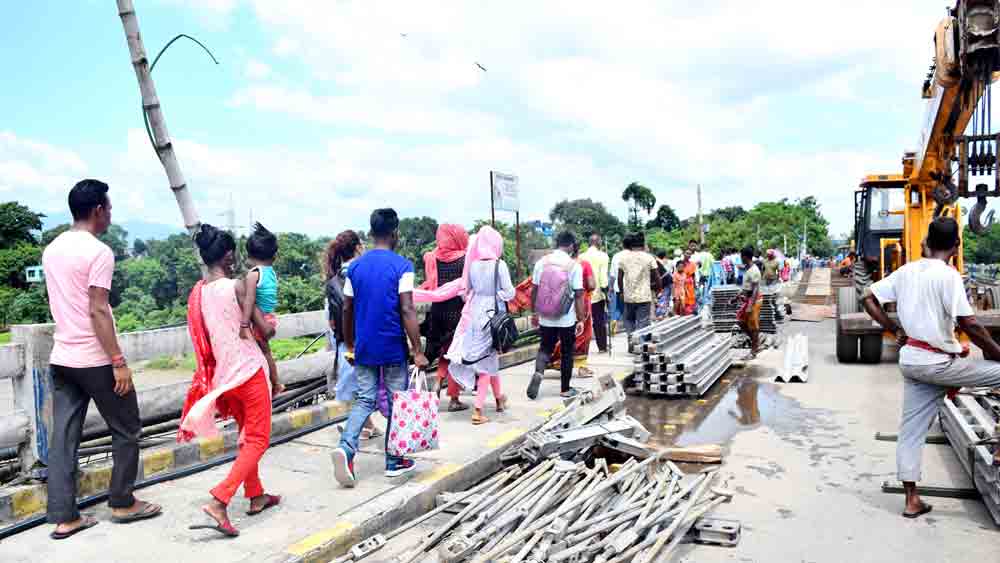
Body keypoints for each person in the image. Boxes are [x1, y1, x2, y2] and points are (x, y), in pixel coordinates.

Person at [43, 179, 162, 540]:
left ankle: (65, 516)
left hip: (62, 357)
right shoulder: (99, 252)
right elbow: (98, 310)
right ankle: (122, 501)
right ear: (97, 210)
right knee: (127, 427)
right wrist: (117, 360)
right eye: (108, 208)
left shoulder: (52, 248)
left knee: (63, 438)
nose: (110, 214)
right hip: (94, 359)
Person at [863, 217, 1000, 519]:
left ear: (927, 240)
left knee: (911, 432)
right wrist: (997, 353)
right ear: (957, 245)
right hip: (937, 363)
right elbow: (970, 324)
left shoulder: (906, 270)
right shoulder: (949, 275)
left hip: (912, 361)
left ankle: (912, 500)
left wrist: (893, 330)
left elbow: (868, 298)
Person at [180, 224, 281, 538]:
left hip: (225, 375)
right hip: (248, 370)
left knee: (245, 434)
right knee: (258, 439)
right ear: (227, 256)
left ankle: (256, 495)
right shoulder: (236, 287)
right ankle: (220, 500)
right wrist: (270, 324)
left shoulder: (200, 292)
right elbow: (264, 332)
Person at [331, 209, 428, 487]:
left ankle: (347, 448)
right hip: (392, 346)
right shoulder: (402, 266)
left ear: (371, 233)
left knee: (365, 399)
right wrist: (417, 349)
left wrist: (350, 343)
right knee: (398, 401)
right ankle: (394, 459)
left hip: (364, 345)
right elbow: (407, 308)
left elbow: (347, 308)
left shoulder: (356, 268)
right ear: (395, 232)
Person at [439, 226, 514, 424]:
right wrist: (496, 295)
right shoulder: (500, 265)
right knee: (485, 366)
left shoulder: (472, 265)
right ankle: (478, 410)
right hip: (493, 316)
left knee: (489, 360)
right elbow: (510, 293)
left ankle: (499, 399)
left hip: (475, 315)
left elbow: (468, 291)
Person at [324, 231, 381, 441]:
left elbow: (331, 319)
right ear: (358, 248)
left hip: (345, 342)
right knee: (371, 388)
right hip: (366, 338)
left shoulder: (334, 278)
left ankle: (367, 426)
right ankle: (356, 430)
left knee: (358, 387)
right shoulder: (365, 272)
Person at [528, 231, 586, 400]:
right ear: (570, 246)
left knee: (545, 347)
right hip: (566, 317)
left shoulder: (542, 262)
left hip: (546, 315)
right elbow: (579, 294)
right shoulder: (574, 265)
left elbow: (535, 290)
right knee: (567, 351)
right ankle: (565, 389)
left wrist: (534, 312)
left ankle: (539, 372)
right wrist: (581, 319)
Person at [420, 224, 470, 412]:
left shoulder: (432, 258)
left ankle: (436, 385)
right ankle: (454, 398)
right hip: (457, 312)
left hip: (437, 310)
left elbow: (431, 284)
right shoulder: (465, 259)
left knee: (444, 352)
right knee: (455, 355)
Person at [239, 222, 281, 396]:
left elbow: (249, 300)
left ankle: (275, 383)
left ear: (249, 254)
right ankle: (276, 382)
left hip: (260, 320)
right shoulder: (270, 272)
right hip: (270, 317)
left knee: (261, 353)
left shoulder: (253, 274)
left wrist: (243, 325)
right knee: (266, 352)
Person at [550, 242, 598, 378]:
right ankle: (582, 367)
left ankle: (557, 361)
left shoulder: (559, 265)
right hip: (581, 302)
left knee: (563, 333)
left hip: (562, 303)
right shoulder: (584, 264)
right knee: (583, 335)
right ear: (578, 250)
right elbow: (591, 284)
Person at [618, 233, 660, 333]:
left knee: (629, 322)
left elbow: (619, 278)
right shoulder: (649, 258)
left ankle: (631, 343)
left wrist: (621, 292)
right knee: (643, 324)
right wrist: (658, 290)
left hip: (628, 297)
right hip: (644, 297)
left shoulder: (623, 258)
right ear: (643, 244)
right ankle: (639, 345)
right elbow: (657, 277)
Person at [579, 234, 610, 354]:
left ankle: (582, 349)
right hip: (597, 294)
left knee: (584, 322)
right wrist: (606, 295)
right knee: (599, 321)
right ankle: (602, 346)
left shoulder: (582, 256)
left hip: (583, 295)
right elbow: (603, 278)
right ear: (599, 243)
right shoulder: (603, 256)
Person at [733, 246, 762, 357]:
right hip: (748, 300)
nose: (740, 258)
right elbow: (745, 287)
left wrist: (750, 305)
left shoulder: (754, 270)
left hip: (754, 300)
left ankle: (754, 351)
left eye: (741, 256)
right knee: (741, 322)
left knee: (753, 326)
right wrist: (736, 298)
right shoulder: (747, 269)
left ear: (745, 257)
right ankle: (756, 342)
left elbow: (755, 289)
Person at [672, 249, 697, 316]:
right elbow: (675, 273)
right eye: (687, 253)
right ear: (683, 253)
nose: (688, 255)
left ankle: (687, 313)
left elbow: (693, 275)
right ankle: (678, 313)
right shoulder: (680, 263)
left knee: (689, 299)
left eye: (689, 254)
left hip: (689, 284)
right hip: (680, 284)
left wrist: (695, 284)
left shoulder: (692, 264)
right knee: (679, 300)